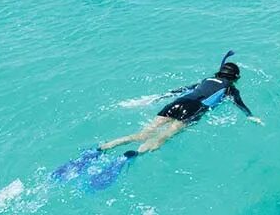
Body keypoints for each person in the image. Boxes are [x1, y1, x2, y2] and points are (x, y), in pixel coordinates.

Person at [98, 61, 263, 158]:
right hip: (193, 108)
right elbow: (240, 104)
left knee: (142, 134)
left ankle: (106, 146)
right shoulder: (230, 89)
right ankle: (137, 153)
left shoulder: (206, 79)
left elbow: (183, 89)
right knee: (163, 137)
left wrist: (160, 97)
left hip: (178, 102)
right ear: (236, 78)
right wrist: (250, 116)